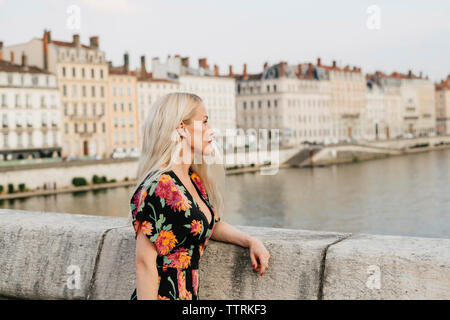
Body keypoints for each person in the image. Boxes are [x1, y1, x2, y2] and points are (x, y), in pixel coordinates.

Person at [128, 92, 270, 300]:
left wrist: (250, 240)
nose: (210, 131)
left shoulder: (191, 179)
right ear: (181, 128)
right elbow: (144, 265)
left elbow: (207, 223)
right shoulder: (160, 186)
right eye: (204, 123)